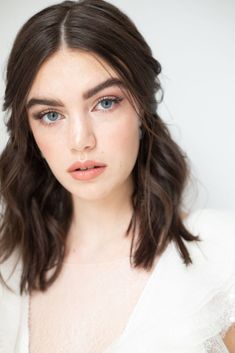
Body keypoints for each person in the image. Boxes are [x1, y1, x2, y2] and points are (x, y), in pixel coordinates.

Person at [0, 0, 234, 352]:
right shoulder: (9, 271)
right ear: (28, 131)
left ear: (142, 105)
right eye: (50, 114)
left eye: (105, 103)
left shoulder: (220, 256)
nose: (81, 140)